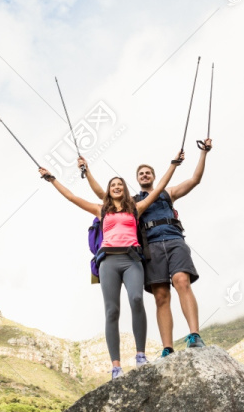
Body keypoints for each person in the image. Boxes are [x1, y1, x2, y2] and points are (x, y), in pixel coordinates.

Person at [38, 150, 184, 379]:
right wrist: (52, 178)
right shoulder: (101, 210)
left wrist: (173, 164)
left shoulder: (136, 208)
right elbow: (71, 196)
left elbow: (159, 188)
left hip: (132, 259)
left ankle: (140, 355)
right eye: (112, 185)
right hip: (108, 261)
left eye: (120, 184)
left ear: (125, 189)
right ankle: (116, 366)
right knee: (112, 311)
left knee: (137, 299)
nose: (116, 187)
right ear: (109, 190)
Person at [79, 138, 212, 357]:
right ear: (136, 179)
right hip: (150, 248)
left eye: (147, 172)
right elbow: (102, 195)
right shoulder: (130, 203)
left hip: (173, 239)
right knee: (160, 295)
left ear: (153, 176)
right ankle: (167, 348)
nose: (144, 175)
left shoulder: (167, 193)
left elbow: (195, 179)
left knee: (182, 281)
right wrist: (88, 172)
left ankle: (194, 335)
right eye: (140, 174)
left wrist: (203, 154)